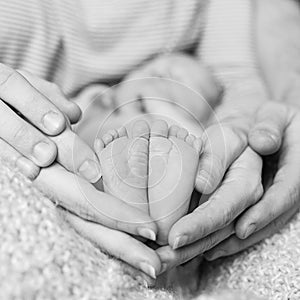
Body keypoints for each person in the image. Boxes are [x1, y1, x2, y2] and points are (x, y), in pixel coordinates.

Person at [0, 0, 299, 285]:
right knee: (83, 135)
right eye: (163, 72)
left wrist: (230, 124)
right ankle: (154, 198)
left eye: (177, 86)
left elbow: (237, 83)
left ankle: (163, 197)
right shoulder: (101, 95)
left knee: (156, 141)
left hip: (97, 136)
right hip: (57, 130)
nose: (166, 74)